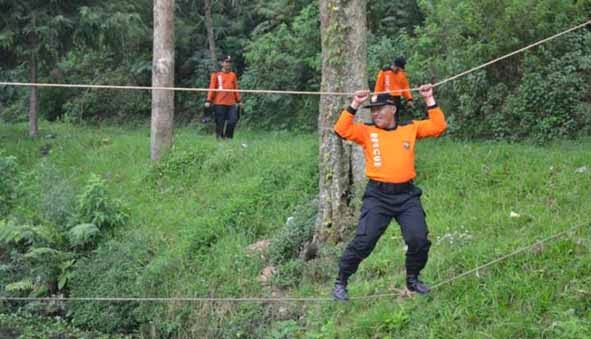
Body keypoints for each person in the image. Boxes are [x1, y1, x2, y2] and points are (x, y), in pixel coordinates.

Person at [332, 84, 447, 301]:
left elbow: (439, 126)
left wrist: (429, 98)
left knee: (418, 239)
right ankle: (341, 281)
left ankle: (412, 279)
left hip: (406, 196)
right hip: (378, 196)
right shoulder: (367, 132)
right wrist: (355, 104)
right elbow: (341, 129)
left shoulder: (409, 129)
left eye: (380, 109)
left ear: (392, 109)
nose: (376, 114)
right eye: (372, 111)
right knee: (364, 242)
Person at [205, 56, 241, 139]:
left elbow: (235, 89)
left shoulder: (233, 75)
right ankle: (219, 138)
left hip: (231, 103)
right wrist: (208, 100)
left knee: (233, 120)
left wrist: (239, 101)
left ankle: (228, 137)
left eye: (230, 62)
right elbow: (212, 88)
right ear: (222, 63)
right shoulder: (216, 74)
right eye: (226, 62)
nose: (228, 64)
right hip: (219, 103)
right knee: (220, 122)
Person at [374, 56, 414, 124]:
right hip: (385, 97)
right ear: (395, 66)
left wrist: (409, 99)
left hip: (396, 98)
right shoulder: (384, 71)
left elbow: (405, 87)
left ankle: (394, 131)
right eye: (398, 68)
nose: (399, 70)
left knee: (395, 116)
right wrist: (376, 96)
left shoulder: (401, 74)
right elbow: (379, 85)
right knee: (385, 115)